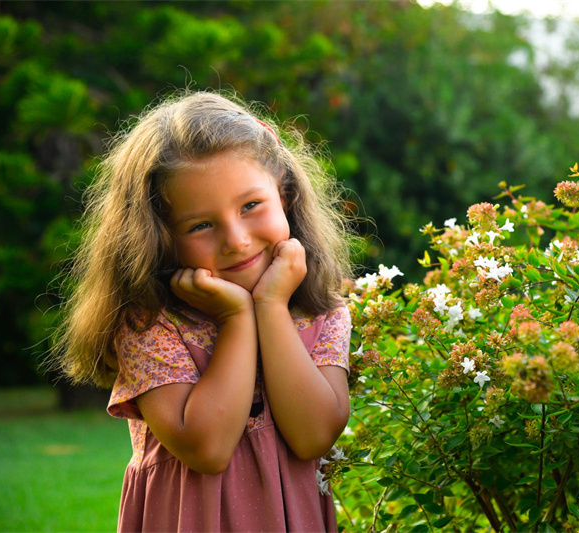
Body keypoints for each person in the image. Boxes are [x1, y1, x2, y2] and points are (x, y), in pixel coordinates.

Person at [51, 91, 354, 532]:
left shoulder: (319, 310)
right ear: (160, 235)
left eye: (251, 206)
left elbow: (312, 437)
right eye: (201, 225)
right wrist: (236, 320)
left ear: (285, 194)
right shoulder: (149, 323)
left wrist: (269, 306)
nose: (235, 239)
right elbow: (207, 450)